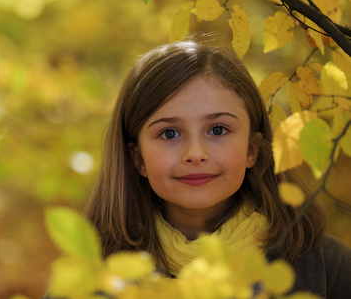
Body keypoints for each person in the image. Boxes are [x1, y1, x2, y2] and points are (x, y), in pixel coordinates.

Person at [82, 41, 351, 298]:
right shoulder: (95, 279)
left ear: (251, 150)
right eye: (169, 133)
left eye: (218, 129)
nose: (196, 154)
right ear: (138, 158)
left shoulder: (326, 266)